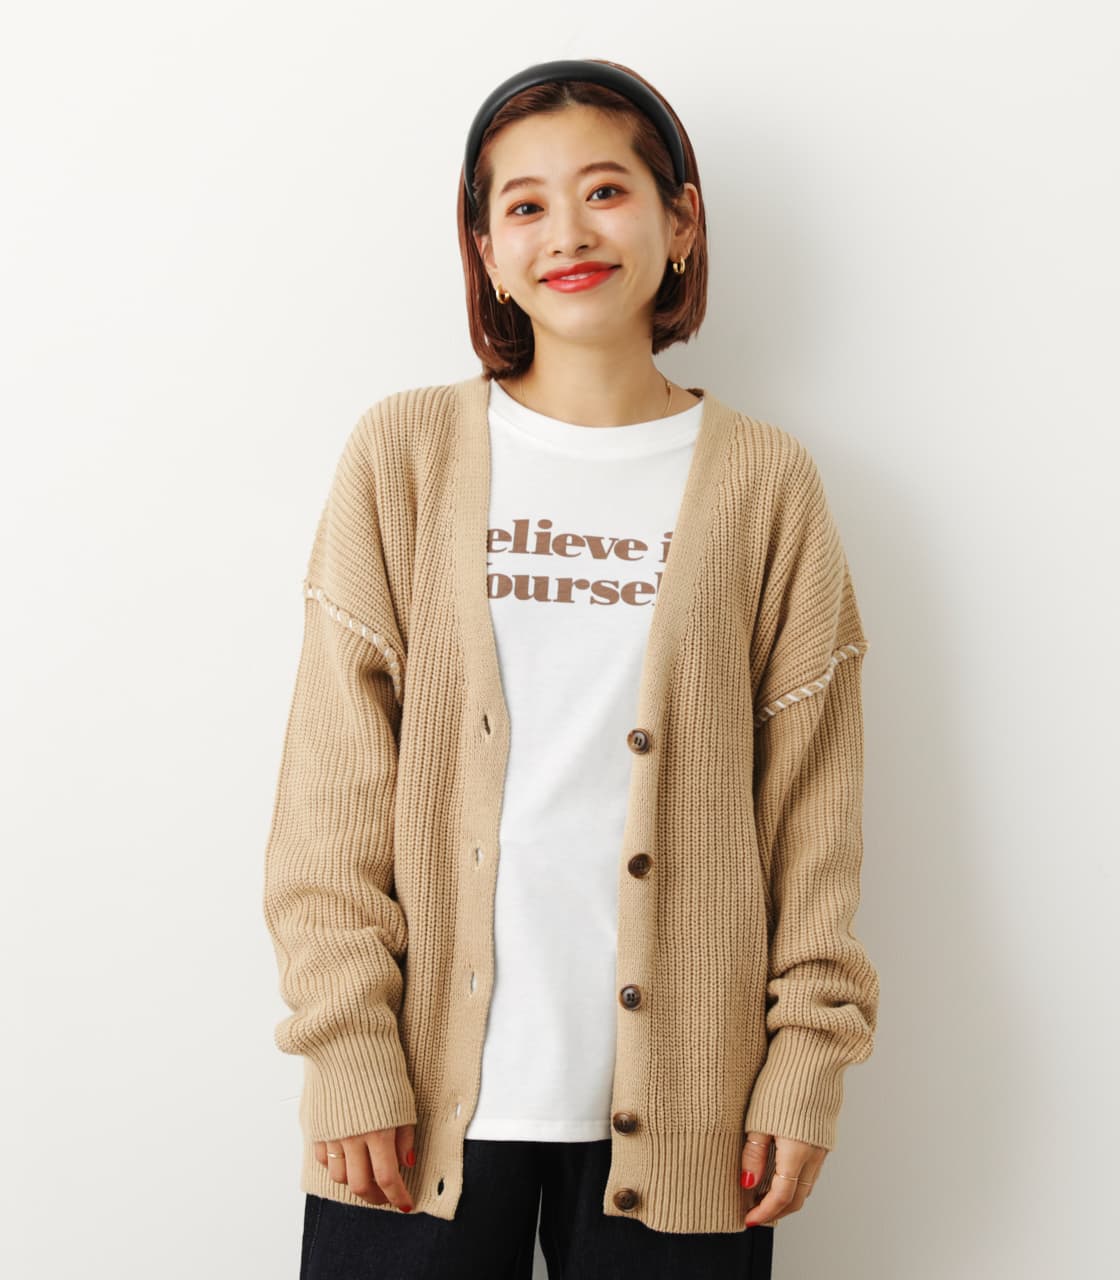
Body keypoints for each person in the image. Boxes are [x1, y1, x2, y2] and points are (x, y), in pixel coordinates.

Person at [263, 57, 880, 1280]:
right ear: (485, 249)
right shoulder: (404, 455)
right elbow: (330, 795)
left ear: (680, 221)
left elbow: (813, 807)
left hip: (695, 1110)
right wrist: (347, 1047)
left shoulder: (766, 483)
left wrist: (807, 1056)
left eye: (605, 191)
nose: (569, 233)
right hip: (414, 1105)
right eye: (526, 205)